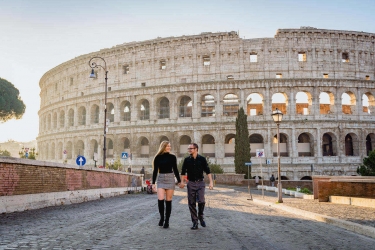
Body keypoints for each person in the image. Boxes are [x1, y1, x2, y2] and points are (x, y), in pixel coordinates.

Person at [179, 143, 213, 230]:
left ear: (196, 149)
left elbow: (207, 171)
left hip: (200, 182)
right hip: (191, 183)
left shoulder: (202, 159)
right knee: (191, 203)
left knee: (201, 201)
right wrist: (182, 182)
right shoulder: (186, 160)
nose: (189, 150)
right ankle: (195, 222)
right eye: (188, 149)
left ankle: (200, 216)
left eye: (191, 148)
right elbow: (183, 172)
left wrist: (211, 182)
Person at [152, 141, 181, 229]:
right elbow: (155, 171)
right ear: (163, 147)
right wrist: (153, 183)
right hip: (160, 179)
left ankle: (167, 221)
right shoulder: (157, 157)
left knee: (168, 200)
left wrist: (179, 181)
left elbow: (175, 169)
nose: (169, 147)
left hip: (170, 178)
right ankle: (162, 217)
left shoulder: (173, 157)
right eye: (167, 146)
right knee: (160, 199)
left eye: (170, 146)